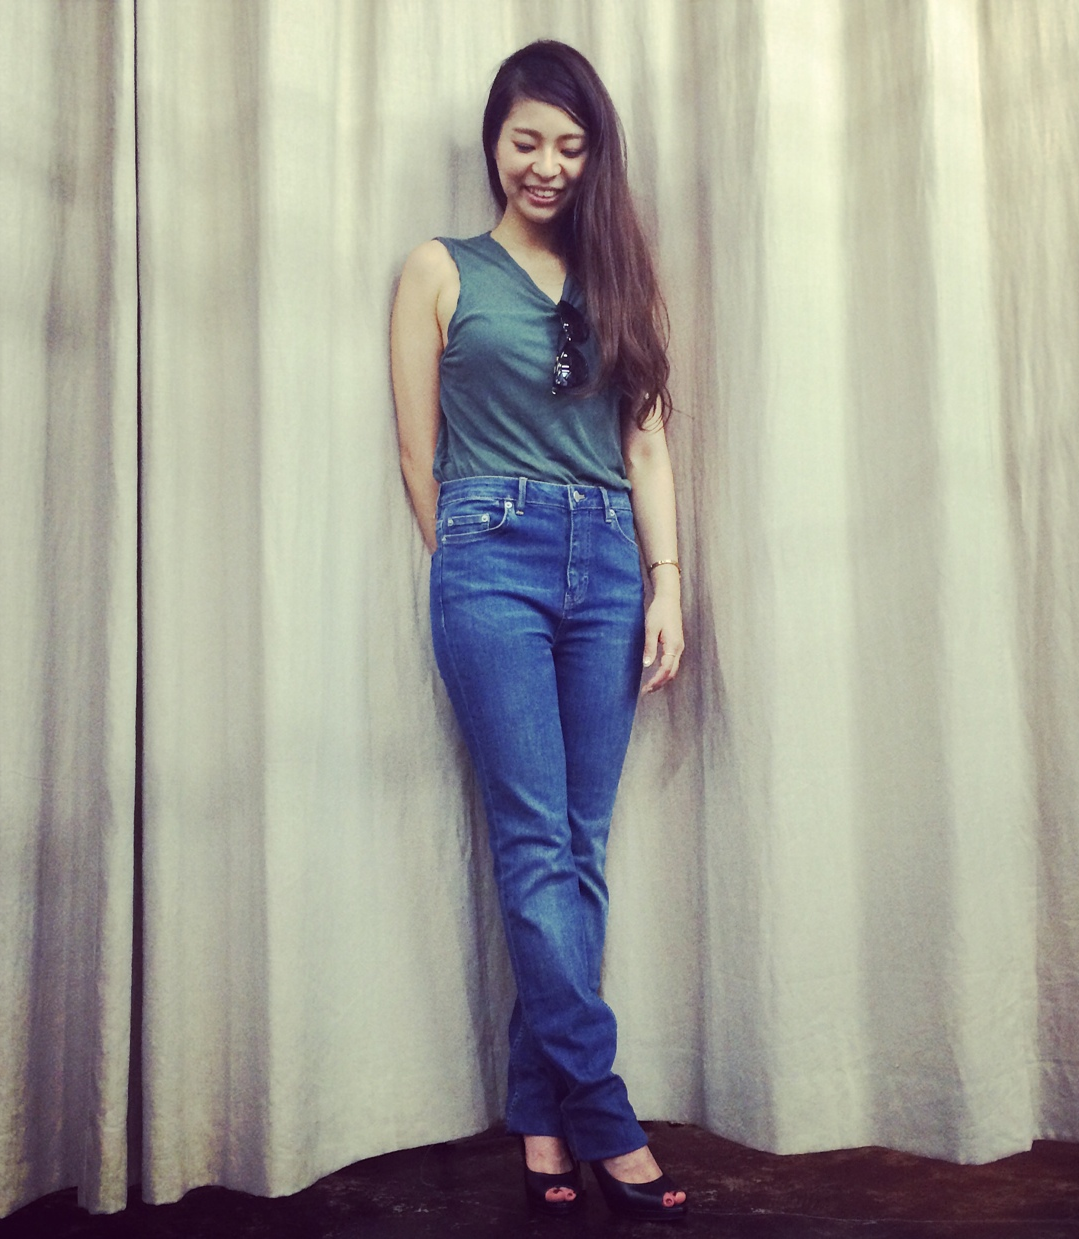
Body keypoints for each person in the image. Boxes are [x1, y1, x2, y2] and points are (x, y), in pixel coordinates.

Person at [390, 40, 687, 1223]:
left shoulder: (622, 279)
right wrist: (467, 552)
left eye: (570, 145)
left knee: (579, 848)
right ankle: (607, 1117)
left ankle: (540, 1117)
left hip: (609, 565)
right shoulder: (439, 269)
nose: (547, 165)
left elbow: (646, 442)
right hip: (492, 559)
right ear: (494, 142)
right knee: (532, 845)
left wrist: (667, 584)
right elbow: (417, 450)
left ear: (593, 153)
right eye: (527, 141)